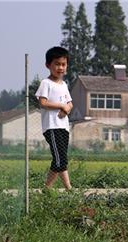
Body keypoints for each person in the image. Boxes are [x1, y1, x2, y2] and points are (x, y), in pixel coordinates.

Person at [35, 46, 73, 190]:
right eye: (57, 64)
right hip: (52, 126)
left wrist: (66, 108)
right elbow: (43, 103)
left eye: (63, 64)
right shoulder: (46, 83)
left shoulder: (64, 84)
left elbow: (70, 103)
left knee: (60, 158)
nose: (60, 67)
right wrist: (61, 106)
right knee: (60, 158)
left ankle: (47, 189)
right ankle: (68, 188)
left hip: (63, 126)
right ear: (48, 65)